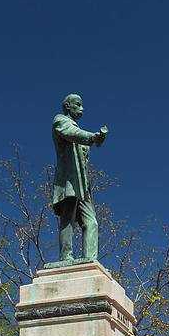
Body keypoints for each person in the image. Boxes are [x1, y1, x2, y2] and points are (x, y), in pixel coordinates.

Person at [51, 94, 108, 262]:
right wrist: (92, 137)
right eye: (78, 104)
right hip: (69, 181)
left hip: (83, 185)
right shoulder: (60, 121)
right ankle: (65, 258)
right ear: (68, 106)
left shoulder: (78, 131)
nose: (82, 108)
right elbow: (71, 133)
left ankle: (91, 261)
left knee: (92, 223)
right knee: (68, 219)